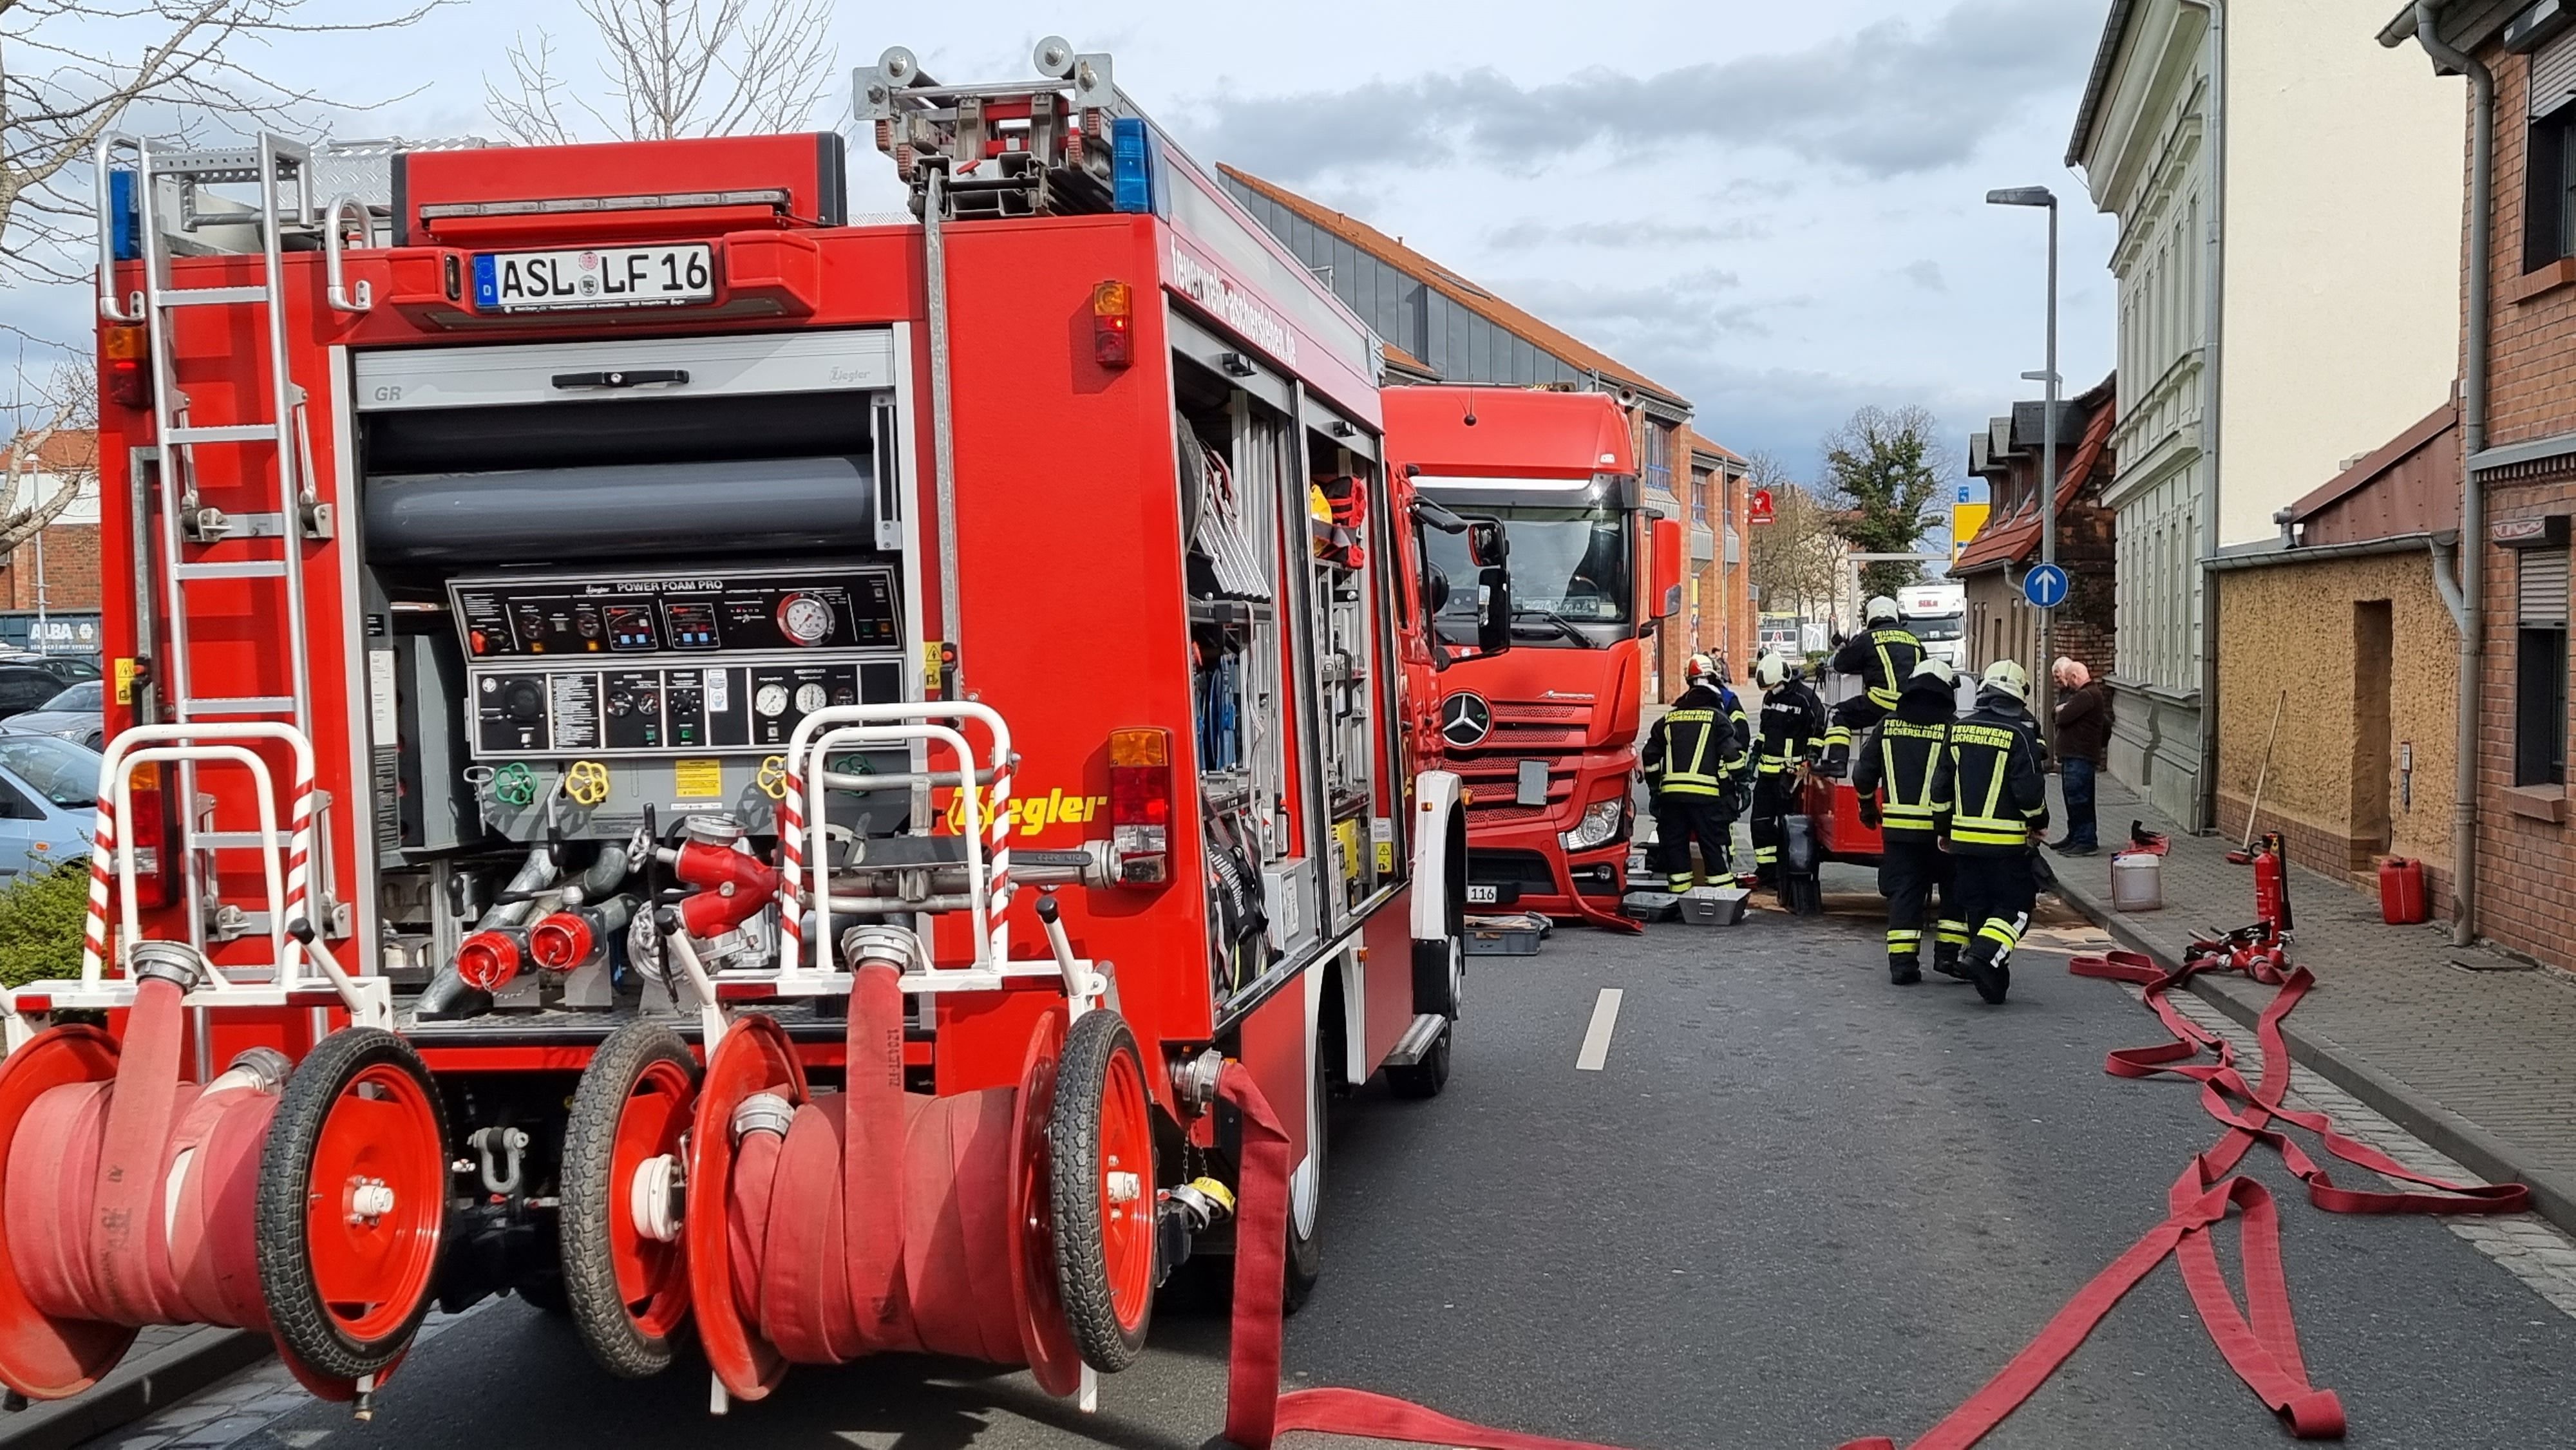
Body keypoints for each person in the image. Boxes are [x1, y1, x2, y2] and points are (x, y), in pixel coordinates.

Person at [1932, 659, 2050, 1005]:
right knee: (2016, 908)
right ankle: (1982, 957)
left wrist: (1944, 830)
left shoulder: (1957, 730)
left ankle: (1993, 982)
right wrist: (2039, 822)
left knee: (1981, 911)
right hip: (2006, 846)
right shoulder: (2020, 734)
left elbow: (1940, 789)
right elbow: (2029, 792)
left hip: (1964, 845)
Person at [1853, 658, 1965, 984]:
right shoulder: (1951, 729)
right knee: (1954, 891)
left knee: (1904, 895)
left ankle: (1903, 965)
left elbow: (1863, 774)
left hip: (1900, 833)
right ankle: (1947, 957)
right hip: (1944, 832)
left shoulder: (1887, 726)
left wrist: (1866, 807)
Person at [1641, 654, 1750, 896]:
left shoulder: (1667, 719)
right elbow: (1733, 755)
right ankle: (1723, 899)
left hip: (1672, 799)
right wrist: (1742, 782)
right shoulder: (1718, 718)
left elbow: (1650, 758)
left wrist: (1654, 790)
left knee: (1676, 850)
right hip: (1706, 798)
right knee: (1712, 849)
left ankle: (1680, 900)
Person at [1819, 597, 1924, 776]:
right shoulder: (1914, 641)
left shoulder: (1868, 638)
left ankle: (1836, 762)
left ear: (1870, 617)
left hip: (1881, 701)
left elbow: (1842, 664)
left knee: (1837, 714)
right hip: (1912, 706)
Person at [1748, 652, 1826, 889]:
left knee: (1786, 827)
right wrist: (1755, 755)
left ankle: (1785, 872)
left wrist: (1811, 758)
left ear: (1784, 678)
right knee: (1760, 824)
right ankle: (1766, 872)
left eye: (1773, 686)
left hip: (1790, 776)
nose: (1771, 691)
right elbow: (1764, 730)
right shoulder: (1770, 698)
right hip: (1767, 774)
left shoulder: (1807, 699)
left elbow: (1818, 732)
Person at [2050, 657, 2110, 855]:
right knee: (2072, 798)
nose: (2066, 685)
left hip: (2080, 756)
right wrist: (2060, 710)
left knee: (2080, 799)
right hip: (2074, 756)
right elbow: (2057, 714)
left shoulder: (2086, 695)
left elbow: (2063, 717)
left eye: (2067, 679)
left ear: (2075, 676)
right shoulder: (2084, 695)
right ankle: (2074, 836)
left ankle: (2085, 840)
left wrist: (2061, 711)